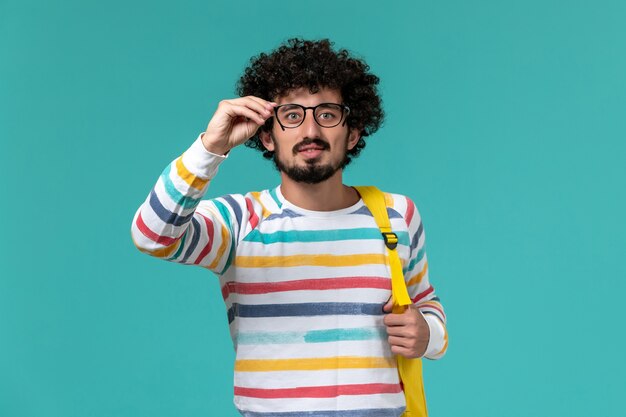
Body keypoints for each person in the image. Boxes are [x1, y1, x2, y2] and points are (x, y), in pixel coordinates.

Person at [131, 38, 448, 417]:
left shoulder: (397, 215)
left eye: (327, 114)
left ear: (353, 131)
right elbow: (151, 236)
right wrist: (210, 147)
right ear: (267, 134)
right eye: (292, 115)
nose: (309, 130)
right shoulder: (238, 221)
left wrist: (427, 335)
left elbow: (428, 305)